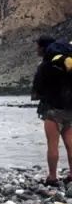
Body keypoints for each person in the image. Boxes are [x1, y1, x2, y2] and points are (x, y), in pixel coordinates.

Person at [31, 34, 72, 186]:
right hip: (70, 108)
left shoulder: (46, 65)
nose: (36, 49)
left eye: (37, 46)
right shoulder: (67, 62)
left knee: (52, 144)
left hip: (52, 110)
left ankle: (52, 177)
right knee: (70, 142)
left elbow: (38, 89)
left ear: (43, 47)